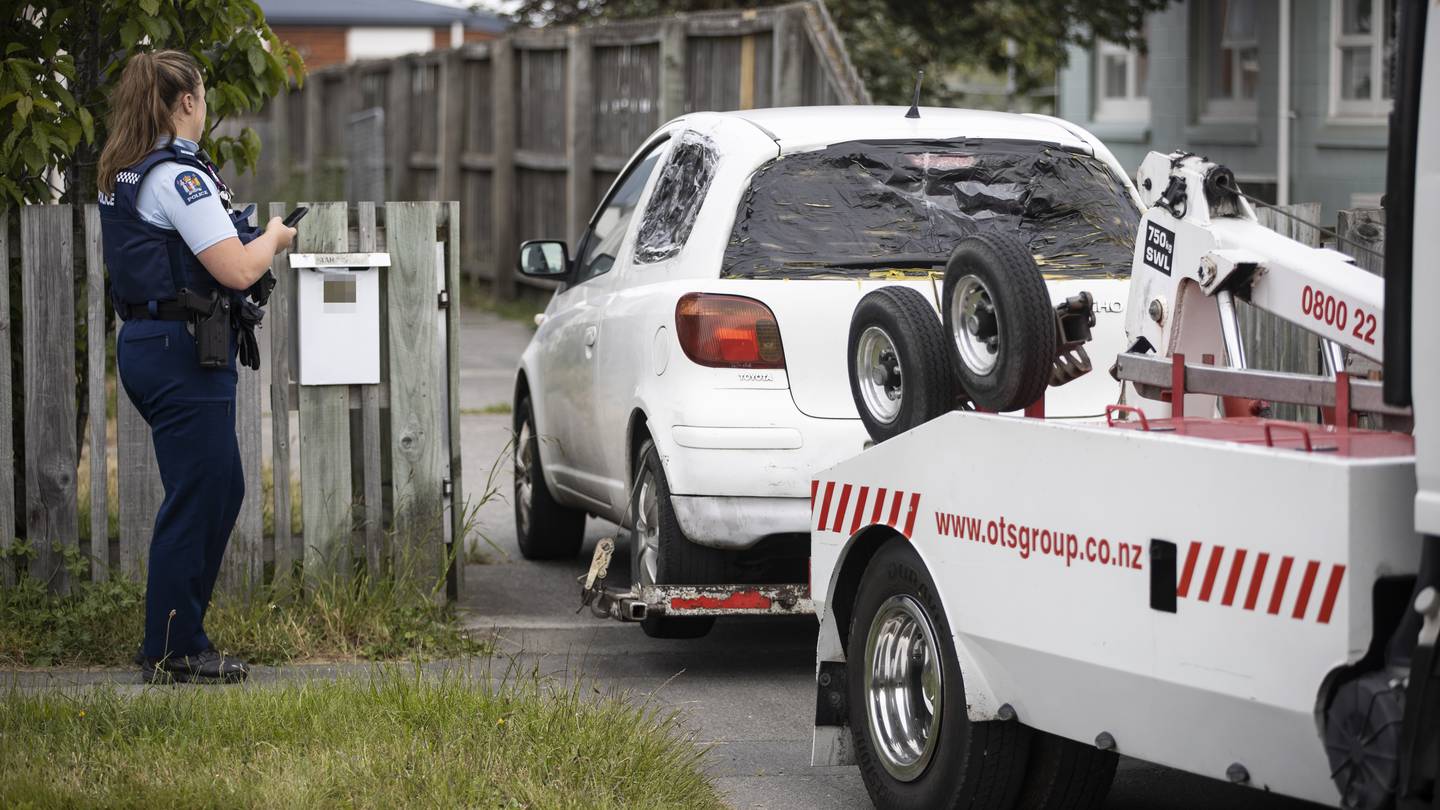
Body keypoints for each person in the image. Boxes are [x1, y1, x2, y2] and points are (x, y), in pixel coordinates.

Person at [97, 50, 296, 684]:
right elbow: (238, 267)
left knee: (219, 487)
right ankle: (174, 648)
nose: (205, 108)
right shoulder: (177, 176)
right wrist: (273, 237)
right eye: (203, 97)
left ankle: (177, 636)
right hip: (179, 351)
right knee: (199, 493)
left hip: (158, 344)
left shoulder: (129, 169)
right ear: (188, 102)